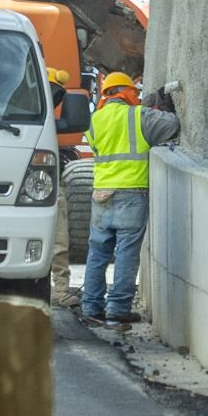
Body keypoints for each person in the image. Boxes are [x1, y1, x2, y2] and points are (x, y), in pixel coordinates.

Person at [80, 71, 180, 324]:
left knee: (98, 252)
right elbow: (171, 125)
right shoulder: (138, 115)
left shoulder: (93, 120)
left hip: (101, 193)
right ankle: (118, 308)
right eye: (135, 93)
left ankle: (91, 307)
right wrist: (160, 109)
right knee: (126, 252)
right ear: (127, 92)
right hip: (132, 192)